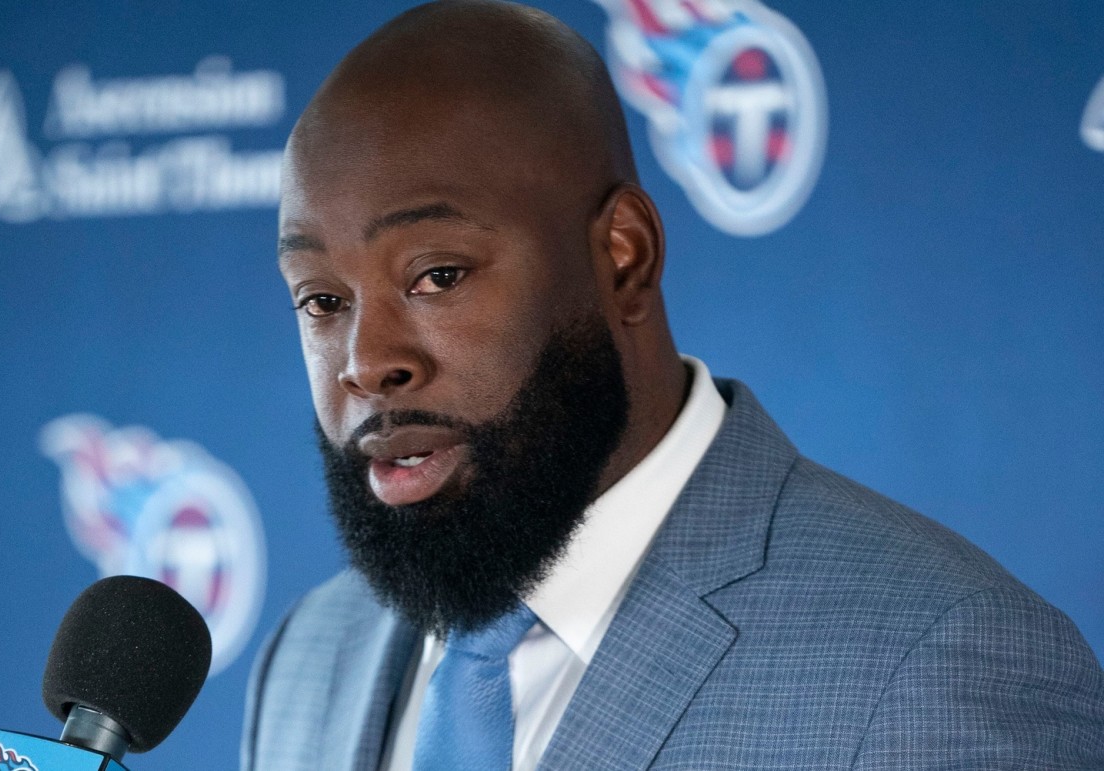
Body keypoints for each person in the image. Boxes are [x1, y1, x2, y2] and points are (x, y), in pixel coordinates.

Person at [242, 2, 1104, 769]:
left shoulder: (938, 665)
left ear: (625, 256)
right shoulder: (310, 655)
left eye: (436, 276)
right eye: (321, 299)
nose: (365, 359)